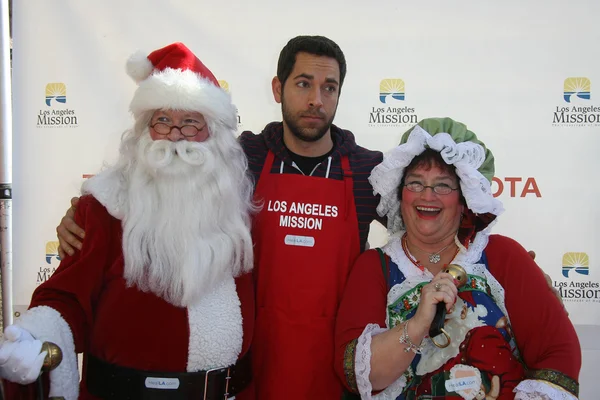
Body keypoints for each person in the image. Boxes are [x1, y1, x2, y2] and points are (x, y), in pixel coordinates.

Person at [54, 37, 564, 399]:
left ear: (341, 93)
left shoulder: (367, 169)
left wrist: (497, 266)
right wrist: (85, 213)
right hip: (254, 368)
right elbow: (164, 181)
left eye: (329, 86)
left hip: (337, 366)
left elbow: (432, 224)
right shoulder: (239, 158)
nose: (316, 99)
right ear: (278, 88)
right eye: (303, 83)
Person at [0, 43, 256, 400]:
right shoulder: (105, 207)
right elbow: (68, 297)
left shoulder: (236, 208)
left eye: (191, 123)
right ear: (143, 131)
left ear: (213, 134)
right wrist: (35, 334)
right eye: (162, 121)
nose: (176, 135)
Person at [334, 118, 581, 399]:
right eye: (415, 183)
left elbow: (558, 357)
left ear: (464, 199)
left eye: (443, 186)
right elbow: (359, 376)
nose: (427, 196)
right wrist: (416, 326)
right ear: (399, 194)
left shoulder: (504, 257)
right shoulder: (374, 267)